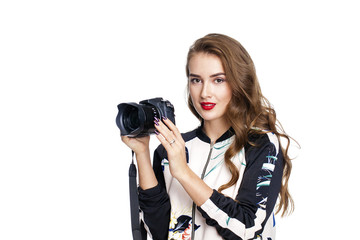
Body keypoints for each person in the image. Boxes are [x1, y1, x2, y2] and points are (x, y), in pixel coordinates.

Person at [121, 33, 294, 240]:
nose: (205, 93)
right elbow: (160, 231)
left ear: (239, 82)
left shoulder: (260, 145)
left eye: (218, 80)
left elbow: (247, 227)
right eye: (196, 80)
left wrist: (184, 173)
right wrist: (142, 153)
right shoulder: (172, 149)